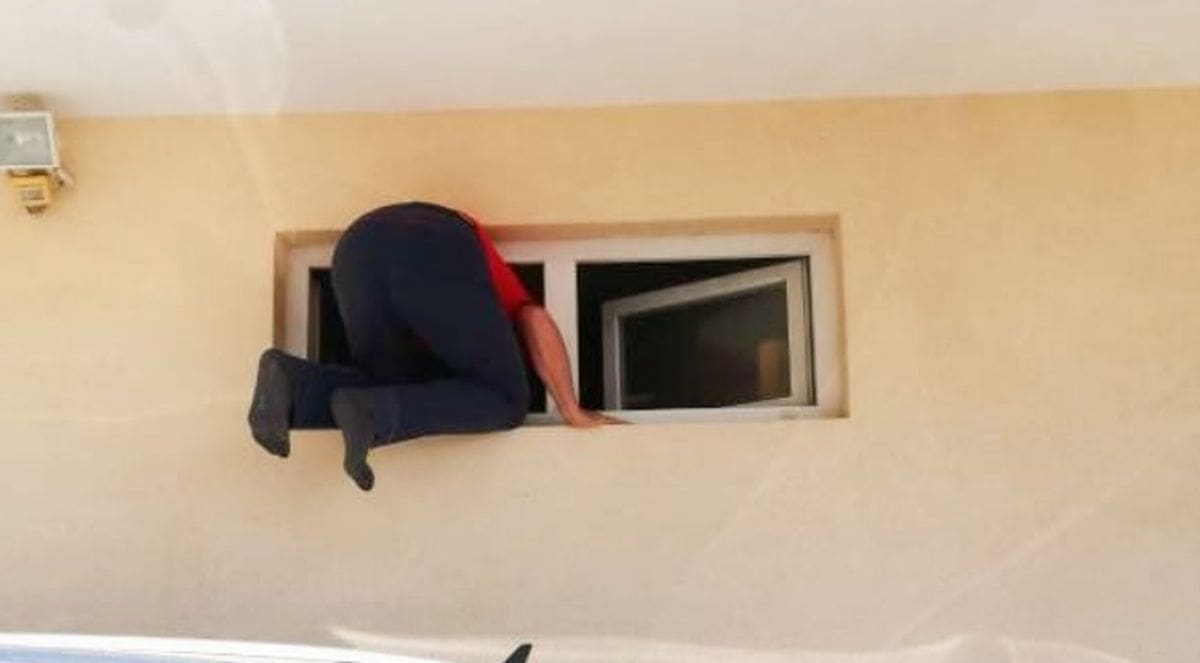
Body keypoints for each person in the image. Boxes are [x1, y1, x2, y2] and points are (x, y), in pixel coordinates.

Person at [248, 202, 619, 491]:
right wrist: (571, 409)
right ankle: (374, 414)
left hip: (354, 250)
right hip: (429, 237)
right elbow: (535, 318)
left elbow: (429, 398)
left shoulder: (432, 344)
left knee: (384, 387)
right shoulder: (489, 301)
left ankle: (293, 386)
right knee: (505, 399)